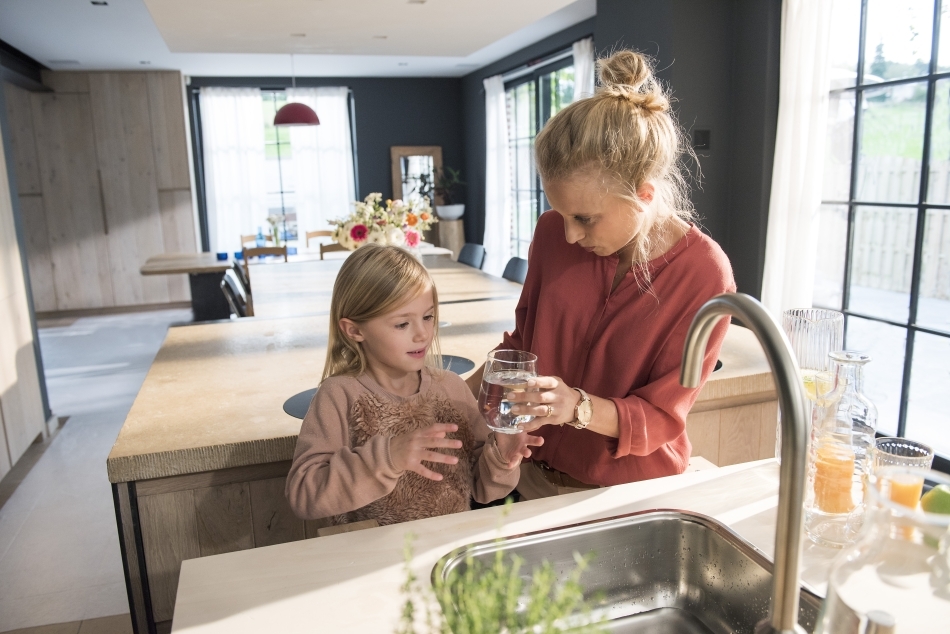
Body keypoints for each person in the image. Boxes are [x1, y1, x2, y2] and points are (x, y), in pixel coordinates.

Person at [467, 50, 736, 499]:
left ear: (644, 195)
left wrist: (578, 407)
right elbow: (522, 345)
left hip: (629, 496)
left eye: (586, 219)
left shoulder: (704, 273)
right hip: (532, 480)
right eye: (561, 214)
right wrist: (448, 396)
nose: (570, 235)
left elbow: (662, 418)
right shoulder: (552, 233)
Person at [286, 244, 541, 525]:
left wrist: (500, 458)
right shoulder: (338, 396)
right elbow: (303, 496)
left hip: (446, 552)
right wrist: (387, 458)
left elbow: (482, 489)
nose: (422, 334)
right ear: (355, 330)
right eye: (402, 324)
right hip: (372, 561)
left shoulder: (452, 389)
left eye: (428, 317)